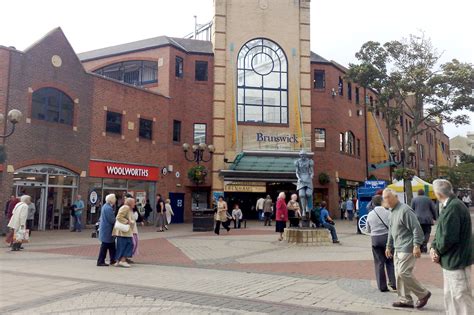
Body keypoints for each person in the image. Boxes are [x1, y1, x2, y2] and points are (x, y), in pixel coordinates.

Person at [430, 179, 473, 314]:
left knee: (461, 295)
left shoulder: (453, 207)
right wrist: (433, 248)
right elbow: (440, 232)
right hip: (451, 260)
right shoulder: (450, 206)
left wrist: (436, 250)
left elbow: (448, 237)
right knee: (451, 295)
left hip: (456, 260)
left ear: (438, 193)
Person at [384, 188, 431, 309]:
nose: (386, 200)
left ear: (396, 197)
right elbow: (391, 230)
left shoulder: (405, 210)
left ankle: (423, 294)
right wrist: (388, 245)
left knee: (403, 272)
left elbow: (417, 229)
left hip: (407, 246)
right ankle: (405, 300)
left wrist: (416, 245)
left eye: (389, 197)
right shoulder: (392, 212)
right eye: (385, 198)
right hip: (397, 247)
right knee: (398, 275)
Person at [366, 195, 396, 292]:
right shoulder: (388, 212)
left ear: (373, 204)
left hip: (375, 239)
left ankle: (382, 286)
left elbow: (367, 229)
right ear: (382, 202)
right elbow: (392, 225)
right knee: (390, 261)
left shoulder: (370, 214)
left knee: (379, 263)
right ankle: (394, 283)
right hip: (387, 239)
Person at [411, 189, 437, 253]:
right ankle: (424, 245)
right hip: (427, 219)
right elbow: (433, 209)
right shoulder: (428, 199)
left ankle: (420, 245)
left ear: (418, 193)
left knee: (419, 233)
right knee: (427, 232)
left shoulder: (414, 199)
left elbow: (411, 210)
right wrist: (435, 217)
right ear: (424, 193)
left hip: (417, 219)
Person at [113, 198, 136, 268]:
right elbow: (119, 217)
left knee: (121, 246)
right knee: (128, 245)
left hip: (124, 232)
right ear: (130, 203)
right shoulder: (126, 208)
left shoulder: (127, 208)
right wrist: (127, 222)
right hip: (124, 231)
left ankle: (118, 261)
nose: (135, 204)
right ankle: (122, 260)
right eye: (134, 202)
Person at [97, 194, 117, 267]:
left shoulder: (105, 206)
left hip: (106, 230)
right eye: (114, 198)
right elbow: (111, 220)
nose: (115, 200)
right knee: (105, 246)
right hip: (107, 230)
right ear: (111, 200)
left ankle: (113, 259)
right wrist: (116, 221)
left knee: (111, 245)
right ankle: (101, 261)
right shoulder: (108, 208)